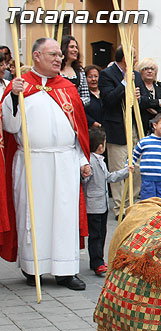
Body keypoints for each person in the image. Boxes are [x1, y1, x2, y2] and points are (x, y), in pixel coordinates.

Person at [1, 37, 92, 291]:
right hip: (32, 161)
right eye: (52, 54)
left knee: (64, 215)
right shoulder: (20, 87)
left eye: (59, 55)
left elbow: (79, 132)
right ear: (36, 57)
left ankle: (65, 270)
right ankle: (33, 268)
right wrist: (13, 97)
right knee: (33, 214)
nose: (58, 58)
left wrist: (83, 159)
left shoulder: (67, 88)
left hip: (64, 161)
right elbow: (10, 126)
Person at [98, 45, 143, 216]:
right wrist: (124, 83)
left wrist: (139, 98)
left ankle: (131, 202)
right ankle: (119, 207)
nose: (136, 59)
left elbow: (140, 100)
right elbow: (108, 100)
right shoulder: (107, 75)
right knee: (118, 168)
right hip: (116, 127)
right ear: (125, 57)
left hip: (133, 126)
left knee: (137, 166)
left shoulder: (137, 76)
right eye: (134, 56)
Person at [82, 128, 132, 276]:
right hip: (93, 206)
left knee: (102, 233)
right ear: (100, 147)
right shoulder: (89, 162)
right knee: (95, 235)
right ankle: (97, 261)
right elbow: (84, 180)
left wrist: (125, 171)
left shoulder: (100, 161)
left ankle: (97, 259)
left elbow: (109, 177)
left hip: (102, 205)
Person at [137, 57, 161, 136]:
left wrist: (158, 112)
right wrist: (159, 102)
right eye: (146, 68)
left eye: (152, 69)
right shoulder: (137, 86)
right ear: (140, 71)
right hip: (141, 127)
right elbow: (142, 103)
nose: (149, 71)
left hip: (160, 130)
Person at [60, 35, 90, 105]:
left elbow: (86, 97)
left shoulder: (80, 71)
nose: (75, 50)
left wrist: (75, 103)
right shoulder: (54, 70)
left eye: (76, 47)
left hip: (75, 110)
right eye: (71, 47)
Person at [84, 64, 102, 129]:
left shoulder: (104, 93)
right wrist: (94, 124)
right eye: (90, 77)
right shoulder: (83, 95)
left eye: (96, 76)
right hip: (91, 131)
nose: (93, 79)